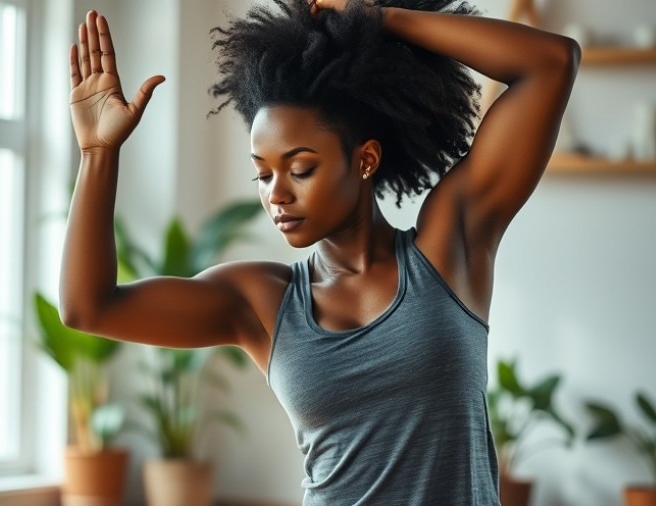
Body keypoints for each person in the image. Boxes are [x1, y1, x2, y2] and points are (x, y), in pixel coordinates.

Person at [62, 0, 579, 503]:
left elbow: (550, 65)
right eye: (262, 174)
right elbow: (89, 307)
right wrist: (97, 154)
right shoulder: (261, 301)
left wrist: (376, 18)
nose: (276, 194)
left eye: (300, 168)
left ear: (365, 159)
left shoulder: (449, 250)